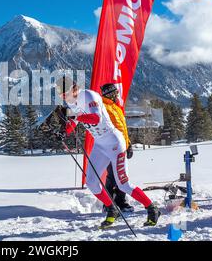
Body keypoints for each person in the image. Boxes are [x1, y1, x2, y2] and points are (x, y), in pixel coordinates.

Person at [56, 77, 160, 228]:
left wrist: (74, 116)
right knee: (91, 182)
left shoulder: (89, 96)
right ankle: (112, 209)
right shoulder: (72, 102)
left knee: (123, 184)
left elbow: (96, 119)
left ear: (73, 88)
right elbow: (74, 122)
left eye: (65, 94)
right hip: (100, 145)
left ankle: (152, 208)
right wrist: (64, 132)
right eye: (62, 96)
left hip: (114, 143)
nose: (65, 98)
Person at [100, 83, 134, 214]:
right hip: (111, 148)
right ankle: (108, 204)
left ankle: (121, 201)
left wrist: (128, 144)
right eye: (115, 93)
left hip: (122, 147)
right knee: (112, 177)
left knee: (122, 176)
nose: (117, 95)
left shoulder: (116, 107)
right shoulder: (104, 108)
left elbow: (122, 129)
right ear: (110, 93)